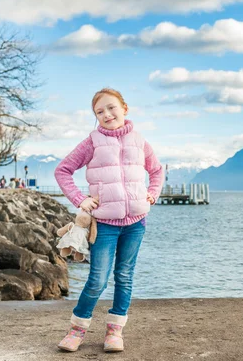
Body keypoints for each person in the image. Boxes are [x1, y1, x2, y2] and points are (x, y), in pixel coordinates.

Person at [54, 88, 164, 353]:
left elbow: (157, 170)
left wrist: (152, 193)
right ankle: (77, 330)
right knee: (97, 280)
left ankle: (115, 331)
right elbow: (63, 170)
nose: (106, 114)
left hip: (136, 223)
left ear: (124, 108)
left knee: (124, 276)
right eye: (99, 112)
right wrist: (80, 199)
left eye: (111, 108)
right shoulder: (92, 142)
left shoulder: (139, 140)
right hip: (104, 225)